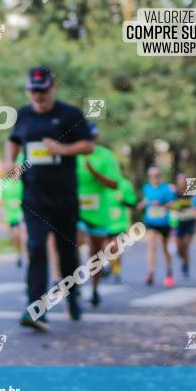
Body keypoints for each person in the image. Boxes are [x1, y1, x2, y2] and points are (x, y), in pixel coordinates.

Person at [6, 66, 94, 331]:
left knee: (67, 251)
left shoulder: (70, 114)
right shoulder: (23, 115)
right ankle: (36, 309)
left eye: (43, 91)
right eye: (33, 91)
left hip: (64, 195)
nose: (38, 96)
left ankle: (73, 295)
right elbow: (13, 140)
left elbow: (88, 145)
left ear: (53, 88)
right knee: (35, 247)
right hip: (33, 195)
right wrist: (9, 160)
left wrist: (62, 148)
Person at [75, 121, 121, 306]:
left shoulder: (105, 155)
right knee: (75, 241)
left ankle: (94, 290)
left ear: (96, 137)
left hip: (99, 211)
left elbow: (114, 184)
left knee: (96, 254)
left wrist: (94, 173)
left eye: (91, 137)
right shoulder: (74, 155)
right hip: (77, 210)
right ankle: (75, 284)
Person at [139, 166, 176, 287]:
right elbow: (146, 200)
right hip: (151, 222)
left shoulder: (166, 188)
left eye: (156, 176)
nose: (154, 178)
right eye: (152, 176)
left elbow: (173, 205)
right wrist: (142, 204)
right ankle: (151, 273)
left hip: (164, 222)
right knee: (151, 246)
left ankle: (169, 271)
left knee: (165, 248)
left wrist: (161, 204)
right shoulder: (147, 188)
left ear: (160, 176)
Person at [107, 175, 137, 283]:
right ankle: (110, 265)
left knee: (116, 246)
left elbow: (132, 203)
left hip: (120, 223)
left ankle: (116, 271)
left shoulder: (125, 184)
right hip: (104, 221)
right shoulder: (102, 182)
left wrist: (123, 200)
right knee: (106, 248)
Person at [0, 160, 26, 268]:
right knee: (15, 236)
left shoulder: (23, 184)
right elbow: (3, 200)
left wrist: (21, 203)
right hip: (11, 214)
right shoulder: (5, 183)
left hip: (23, 213)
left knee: (24, 236)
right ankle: (19, 254)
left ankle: (26, 256)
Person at [172, 174, 196, 278]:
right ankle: (185, 261)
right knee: (179, 249)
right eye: (179, 180)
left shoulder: (192, 191)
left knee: (186, 244)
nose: (181, 182)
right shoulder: (175, 193)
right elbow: (171, 205)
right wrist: (175, 207)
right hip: (179, 223)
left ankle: (186, 264)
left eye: (183, 180)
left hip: (190, 222)